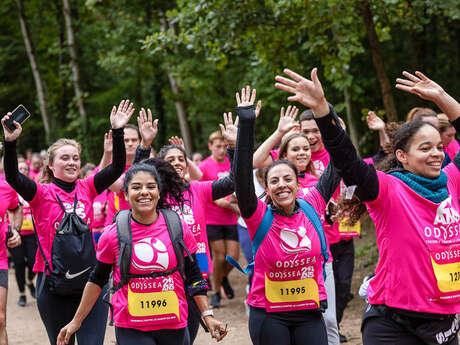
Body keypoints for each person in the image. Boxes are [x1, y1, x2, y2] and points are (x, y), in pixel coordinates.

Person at [275, 67, 460, 345]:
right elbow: (347, 160)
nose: (435, 154)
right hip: (393, 323)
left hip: (445, 321)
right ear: (403, 156)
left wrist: (443, 97)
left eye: (438, 147)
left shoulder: (452, 181)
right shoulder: (388, 188)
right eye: (424, 148)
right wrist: (323, 110)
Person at [1, 99, 133, 345]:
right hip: (52, 286)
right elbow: (12, 176)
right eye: (64, 158)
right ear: (51, 165)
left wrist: (117, 131)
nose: (72, 162)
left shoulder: (88, 187)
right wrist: (10, 142)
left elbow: (116, 168)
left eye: (75, 158)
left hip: (91, 284)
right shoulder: (41, 194)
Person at [57, 163, 228, 345]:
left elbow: (194, 276)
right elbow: (97, 280)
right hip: (132, 327)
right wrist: (77, 320)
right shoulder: (112, 235)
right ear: (126, 194)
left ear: (159, 193)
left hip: (174, 324)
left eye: (151, 187)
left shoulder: (178, 227)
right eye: (136, 187)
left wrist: (207, 316)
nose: (144, 192)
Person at [234, 85, 340, 345]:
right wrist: (246, 125)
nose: (282, 184)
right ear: (267, 189)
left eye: (287, 179)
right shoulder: (256, 214)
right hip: (269, 314)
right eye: (275, 181)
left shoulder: (313, 201)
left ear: (297, 183)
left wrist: (324, 110)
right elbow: (241, 176)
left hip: (308, 311)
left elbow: (340, 159)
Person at [133, 110, 237, 344]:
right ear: (160, 165)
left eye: (181, 159)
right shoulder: (154, 194)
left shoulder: (197, 190)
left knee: (187, 338)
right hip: (161, 270)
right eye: (171, 160)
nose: (177, 163)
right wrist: (145, 144)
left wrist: (233, 147)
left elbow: (233, 182)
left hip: (196, 267)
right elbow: (134, 178)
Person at [199, 130, 240, 307]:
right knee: (220, 256)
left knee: (233, 258)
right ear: (210, 147)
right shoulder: (204, 166)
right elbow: (199, 190)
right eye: (218, 146)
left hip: (231, 216)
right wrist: (218, 201)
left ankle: (220, 278)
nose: (222, 150)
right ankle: (215, 292)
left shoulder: (231, 162)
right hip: (212, 218)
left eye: (224, 146)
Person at [10, 161, 37, 307]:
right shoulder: (9, 189)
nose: (22, 171)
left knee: (34, 263)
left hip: (32, 233)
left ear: (28, 171)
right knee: (19, 263)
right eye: (19, 168)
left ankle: (30, 281)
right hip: (15, 232)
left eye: (25, 168)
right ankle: (22, 294)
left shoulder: (32, 188)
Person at [0, 178, 22, 345]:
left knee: (0, 320)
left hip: (0, 260)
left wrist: (15, 230)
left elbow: (16, 209)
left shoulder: (6, 187)